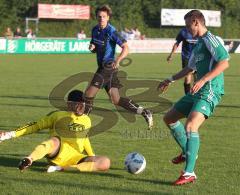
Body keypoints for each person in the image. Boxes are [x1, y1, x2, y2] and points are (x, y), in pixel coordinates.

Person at [158, 10, 229, 185]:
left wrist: (204, 79)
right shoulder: (197, 44)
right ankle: (187, 150)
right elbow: (189, 69)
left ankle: (189, 172)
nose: (186, 28)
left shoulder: (210, 39)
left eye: (188, 24)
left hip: (211, 89)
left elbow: (224, 62)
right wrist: (170, 79)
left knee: (191, 125)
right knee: (169, 118)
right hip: (197, 91)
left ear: (196, 21)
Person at [0, 90, 110, 173]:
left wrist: (92, 156)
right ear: (69, 104)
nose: (82, 106)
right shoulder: (58, 115)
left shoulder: (87, 120)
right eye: (78, 103)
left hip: (76, 157)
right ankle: (29, 159)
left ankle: (61, 168)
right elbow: (35, 126)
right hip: (58, 152)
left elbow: (84, 138)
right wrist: (10, 134)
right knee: (54, 140)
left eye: (83, 104)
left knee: (105, 162)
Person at [86, 5, 153, 129]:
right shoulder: (95, 29)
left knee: (88, 94)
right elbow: (94, 46)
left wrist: (117, 60)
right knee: (116, 100)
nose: (101, 19)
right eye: (99, 16)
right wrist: (92, 48)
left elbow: (126, 48)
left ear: (108, 18)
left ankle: (82, 125)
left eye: (104, 17)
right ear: (96, 17)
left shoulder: (111, 31)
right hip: (102, 67)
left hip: (107, 67)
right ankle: (145, 112)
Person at [167, 27, 198, 94]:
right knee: (187, 76)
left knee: (197, 78)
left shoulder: (200, 31)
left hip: (198, 57)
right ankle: (187, 96)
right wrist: (171, 54)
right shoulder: (183, 31)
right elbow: (177, 43)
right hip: (187, 57)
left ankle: (197, 96)